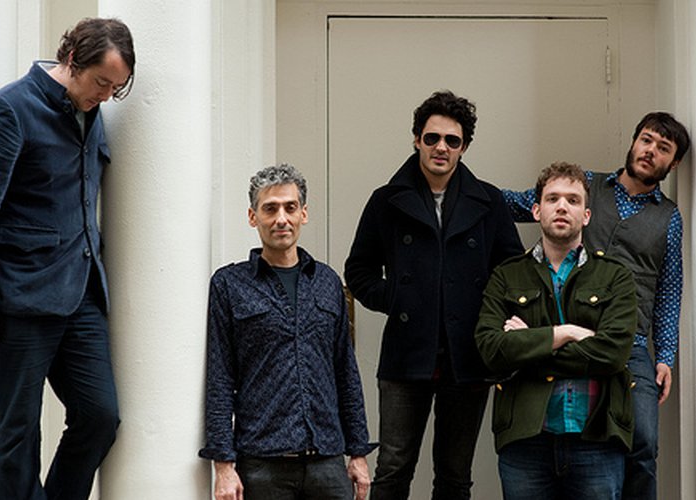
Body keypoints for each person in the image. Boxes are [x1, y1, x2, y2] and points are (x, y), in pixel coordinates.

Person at [0, 18, 135, 500]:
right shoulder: (8, 110)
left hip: (83, 296)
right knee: (18, 432)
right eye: (101, 82)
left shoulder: (92, 110)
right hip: (20, 299)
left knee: (100, 416)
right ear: (72, 60)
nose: (107, 96)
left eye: (116, 88)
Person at [344, 90, 524, 499]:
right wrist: (397, 299)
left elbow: (512, 272)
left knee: (455, 474)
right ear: (417, 140)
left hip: (467, 355)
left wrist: (492, 317)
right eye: (432, 138)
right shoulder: (386, 200)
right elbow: (358, 270)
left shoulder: (488, 201)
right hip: (407, 355)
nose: (441, 147)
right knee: (393, 468)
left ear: (464, 147)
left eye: (452, 140)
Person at [502, 112, 690, 500]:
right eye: (646, 140)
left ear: (673, 164)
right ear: (634, 141)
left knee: (643, 440)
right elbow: (520, 203)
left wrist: (664, 356)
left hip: (629, 342)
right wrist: (467, 189)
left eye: (663, 148)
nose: (650, 151)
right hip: (566, 323)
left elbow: (669, 287)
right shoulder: (587, 185)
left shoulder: (669, 217)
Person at [199, 164, 375, 500]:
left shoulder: (327, 282)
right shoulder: (229, 285)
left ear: (303, 214)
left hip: (327, 461)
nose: (281, 218)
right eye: (270, 209)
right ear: (253, 217)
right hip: (262, 464)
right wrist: (223, 465)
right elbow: (220, 378)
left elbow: (345, 372)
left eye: (290, 207)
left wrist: (358, 452)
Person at [476, 162, 638, 499]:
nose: (562, 206)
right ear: (537, 210)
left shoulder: (615, 276)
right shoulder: (506, 276)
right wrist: (566, 333)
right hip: (525, 438)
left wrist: (529, 343)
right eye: (552, 199)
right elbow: (490, 350)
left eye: (573, 200)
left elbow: (613, 353)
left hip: (596, 437)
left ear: (586, 216)